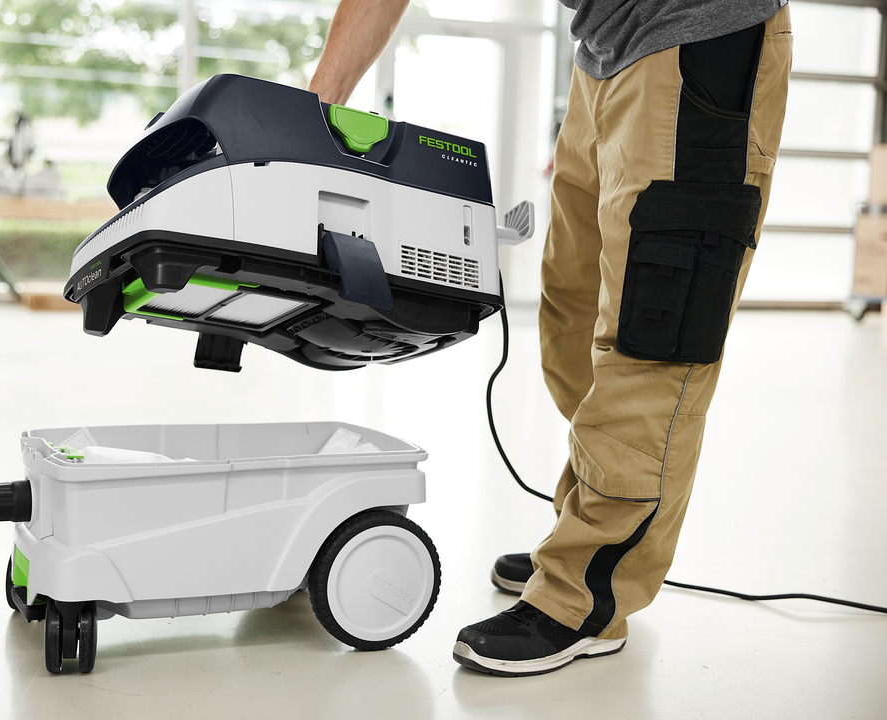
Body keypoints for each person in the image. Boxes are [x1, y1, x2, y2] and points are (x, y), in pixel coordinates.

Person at [309, 0, 792, 676]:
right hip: (601, 54)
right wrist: (313, 114)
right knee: (571, 314)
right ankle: (583, 528)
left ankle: (585, 590)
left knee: (652, 332)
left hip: (696, 37)